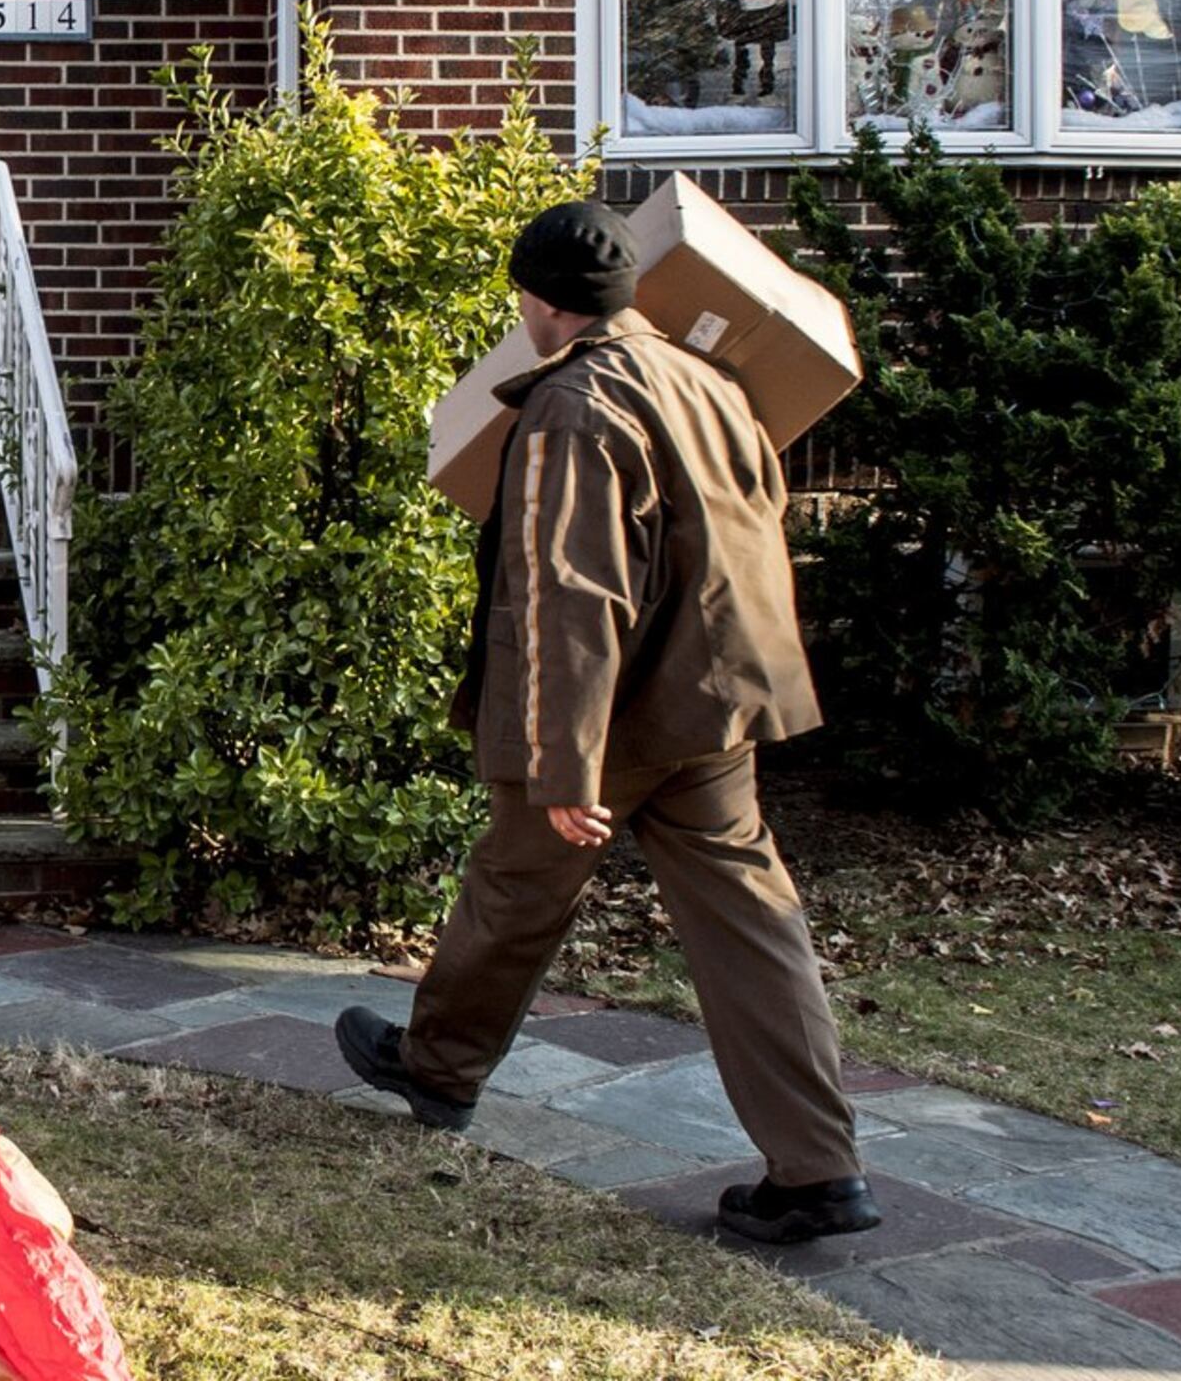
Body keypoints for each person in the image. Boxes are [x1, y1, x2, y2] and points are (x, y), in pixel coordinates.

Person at [339, 199, 878, 1246]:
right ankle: (821, 1170)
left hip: (620, 709)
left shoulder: (571, 408)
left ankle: (439, 1069)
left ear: (540, 303)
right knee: (751, 926)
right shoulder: (709, 379)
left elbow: (570, 597)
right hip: (716, 699)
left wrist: (563, 763)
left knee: (516, 884)